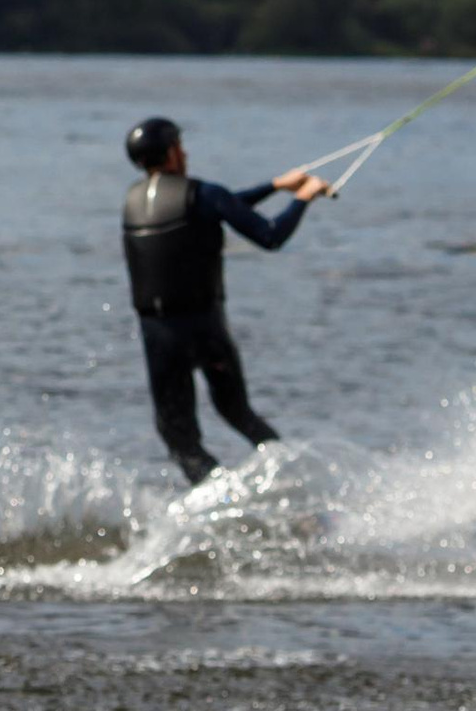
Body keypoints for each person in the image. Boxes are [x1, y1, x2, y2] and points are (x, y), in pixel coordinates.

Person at [122, 116, 333, 485]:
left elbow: (219, 206)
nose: (184, 153)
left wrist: (275, 186)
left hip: (157, 335)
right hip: (204, 328)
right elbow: (269, 235)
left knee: (178, 437)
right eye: (180, 146)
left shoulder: (134, 201)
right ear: (172, 152)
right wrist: (303, 196)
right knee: (237, 413)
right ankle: (281, 481)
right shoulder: (205, 195)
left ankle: (216, 488)